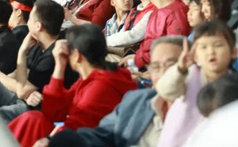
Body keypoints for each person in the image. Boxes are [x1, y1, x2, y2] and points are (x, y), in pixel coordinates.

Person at [9, 25, 137, 147]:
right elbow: (53, 112)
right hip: (81, 137)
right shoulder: (94, 77)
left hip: (89, 141)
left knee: (33, 121)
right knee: (34, 120)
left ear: (76, 55)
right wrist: (59, 66)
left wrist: (49, 139)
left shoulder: (100, 86)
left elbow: (74, 127)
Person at [44, 36, 185, 147]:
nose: (163, 72)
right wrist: (55, 140)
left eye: (171, 65)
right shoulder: (137, 100)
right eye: (156, 66)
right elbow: (102, 134)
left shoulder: (195, 111)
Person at [0, 0, 77, 123]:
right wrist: (10, 83)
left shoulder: (53, 55)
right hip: (24, 100)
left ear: (38, 26)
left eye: (30, 19)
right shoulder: (38, 44)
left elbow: (22, 91)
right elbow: (19, 76)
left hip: (36, 112)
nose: (27, 22)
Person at [156, 20, 236, 147]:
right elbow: (165, 90)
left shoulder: (237, 85)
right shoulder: (189, 75)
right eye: (203, 47)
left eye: (218, 45)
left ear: (233, 52)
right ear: (196, 55)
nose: (211, 52)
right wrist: (180, 68)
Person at [122, 0, 191, 69]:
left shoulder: (178, 13)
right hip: (144, 63)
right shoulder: (156, 11)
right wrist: (135, 58)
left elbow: (172, 52)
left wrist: (135, 60)